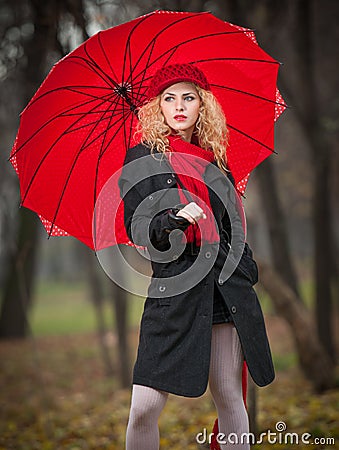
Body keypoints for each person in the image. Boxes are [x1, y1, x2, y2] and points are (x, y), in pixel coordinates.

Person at [118, 64, 274, 450]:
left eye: (188, 97)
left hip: (223, 290)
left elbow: (232, 227)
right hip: (174, 293)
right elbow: (138, 228)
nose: (179, 106)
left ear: (203, 105)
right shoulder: (141, 160)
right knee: (144, 407)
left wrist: (244, 268)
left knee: (228, 395)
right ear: (158, 107)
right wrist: (174, 219)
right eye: (169, 99)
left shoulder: (215, 161)